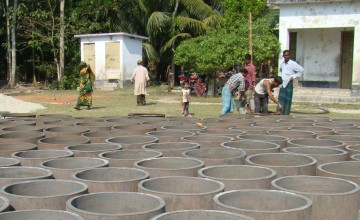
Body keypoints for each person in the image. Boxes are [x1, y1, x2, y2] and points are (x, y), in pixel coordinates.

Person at [278, 50, 304, 115]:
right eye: (285, 55)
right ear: (283, 56)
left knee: (288, 100)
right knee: (281, 99)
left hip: (289, 83)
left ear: (289, 56)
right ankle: (280, 113)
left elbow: (301, 70)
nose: (286, 57)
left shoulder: (293, 63)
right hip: (283, 83)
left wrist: (294, 76)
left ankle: (286, 113)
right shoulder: (282, 63)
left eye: (287, 55)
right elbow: (280, 71)